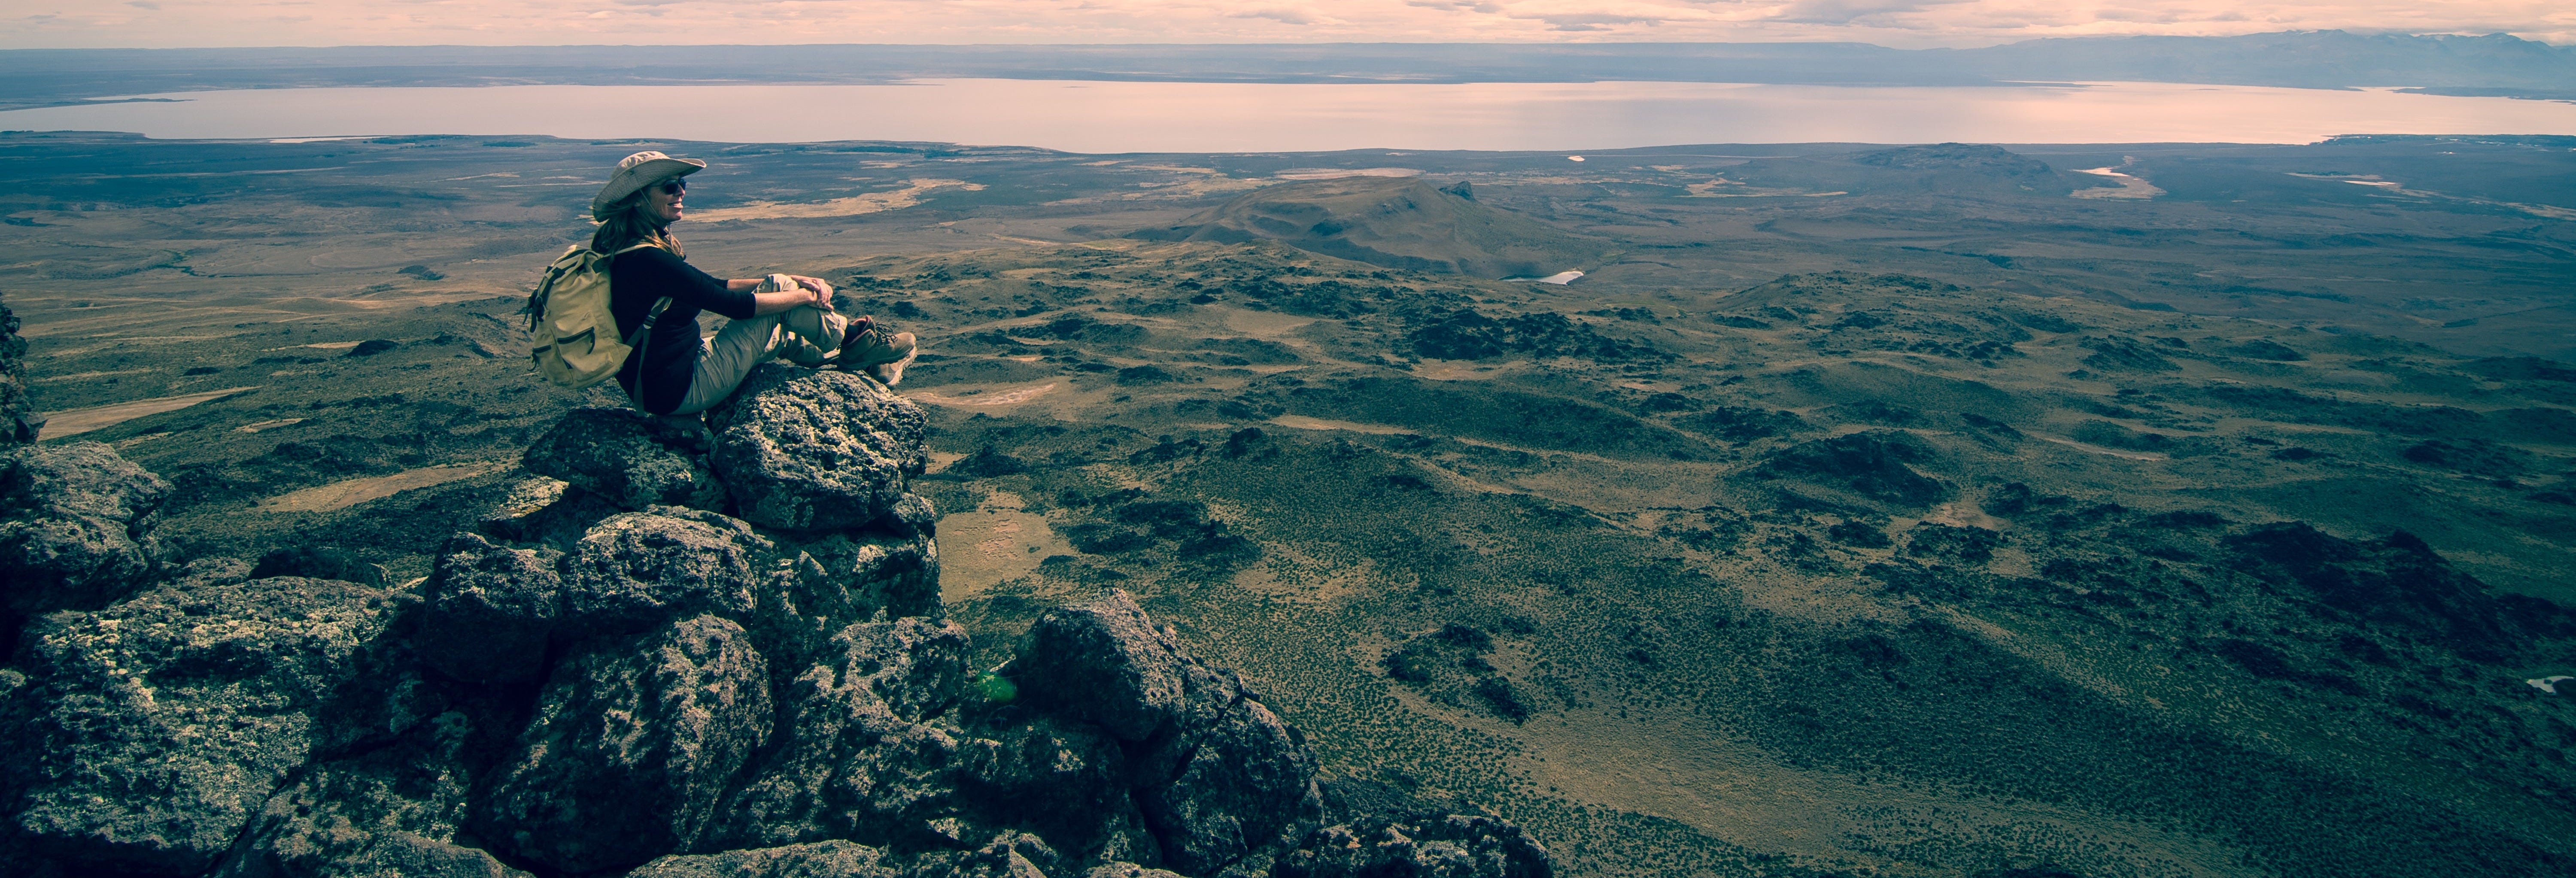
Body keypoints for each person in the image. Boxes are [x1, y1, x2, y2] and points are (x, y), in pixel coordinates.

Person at [587, 151, 915, 416]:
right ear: (636, 200)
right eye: (669, 187)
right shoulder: (649, 259)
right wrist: (798, 293)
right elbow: (737, 307)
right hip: (682, 388)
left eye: (682, 183)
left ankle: (859, 361)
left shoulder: (630, 250)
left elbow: (710, 285)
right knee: (777, 295)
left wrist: (792, 282)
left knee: (781, 330)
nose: (682, 192)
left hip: (666, 381)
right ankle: (856, 340)